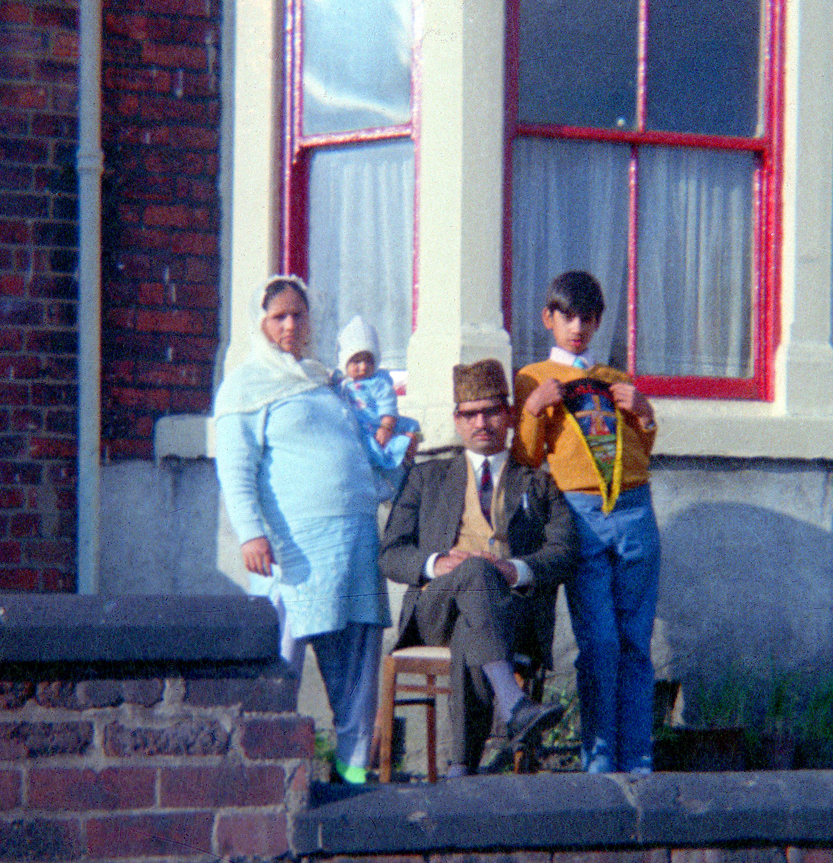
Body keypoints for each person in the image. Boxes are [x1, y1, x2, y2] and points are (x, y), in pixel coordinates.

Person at [213, 276, 391, 785]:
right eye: (279, 317)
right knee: (279, 665)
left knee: (357, 665)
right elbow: (236, 468)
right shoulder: (245, 386)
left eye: (299, 314)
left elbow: (358, 455)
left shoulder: (324, 382)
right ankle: (264, 777)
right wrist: (251, 533)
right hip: (293, 550)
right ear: (261, 323)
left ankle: (352, 774)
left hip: (355, 544)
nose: (290, 325)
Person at [380, 358, 576, 777]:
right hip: (436, 609)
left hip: (509, 612)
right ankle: (513, 703)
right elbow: (390, 553)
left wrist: (514, 570)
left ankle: (460, 770)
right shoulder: (426, 477)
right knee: (472, 573)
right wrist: (436, 563)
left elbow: (564, 553)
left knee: (475, 618)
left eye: (491, 411)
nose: (481, 423)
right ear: (457, 420)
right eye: (469, 414)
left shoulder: (538, 481)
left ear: (510, 414)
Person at [512, 270, 659, 778]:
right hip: (579, 515)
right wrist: (533, 409)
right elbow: (527, 456)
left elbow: (638, 453)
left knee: (635, 645)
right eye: (568, 316)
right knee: (599, 644)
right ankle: (599, 763)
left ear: (598, 323)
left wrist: (645, 414)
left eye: (588, 318)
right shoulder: (532, 377)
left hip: (635, 510)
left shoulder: (615, 378)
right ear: (548, 318)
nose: (578, 328)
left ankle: (638, 761)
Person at [334, 315, 419, 490]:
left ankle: (402, 489)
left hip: (377, 429)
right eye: (356, 361)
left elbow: (388, 405)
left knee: (390, 460)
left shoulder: (378, 383)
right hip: (359, 434)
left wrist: (386, 427)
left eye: (368, 360)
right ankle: (378, 490)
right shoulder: (342, 385)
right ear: (345, 362)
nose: (364, 366)